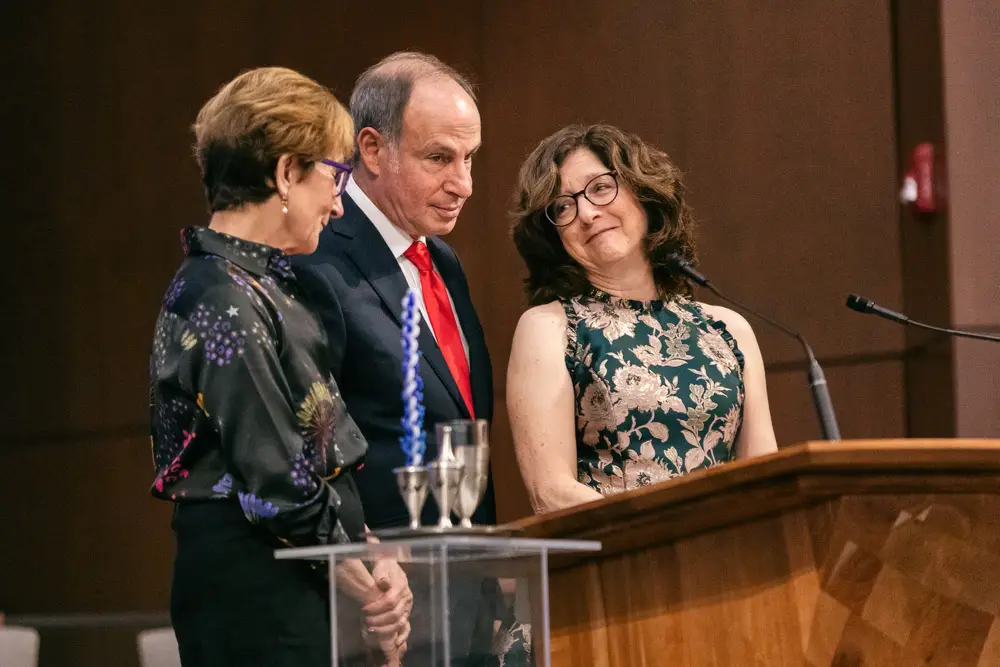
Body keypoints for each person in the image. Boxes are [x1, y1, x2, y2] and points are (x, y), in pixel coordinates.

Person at [148, 66, 411, 667]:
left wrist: (374, 559)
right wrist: (371, 589)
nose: (338, 204)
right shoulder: (220, 296)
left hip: (299, 578)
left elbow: (312, 466)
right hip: (258, 596)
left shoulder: (257, 285)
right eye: (335, 176)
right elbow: (277, 480)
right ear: (288, 171)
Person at [293, 52, 502, 663]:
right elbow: (311, 447)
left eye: (470, 159)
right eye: (439, 158)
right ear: (373, 149)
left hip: (463, 598)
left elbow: (460, 429)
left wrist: (486, 583)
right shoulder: (317, 259)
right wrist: (365, 572)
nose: (463, 183)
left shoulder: (443, 261)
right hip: (379, 610)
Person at [508, 124, 779, 515]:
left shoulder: (728, 330)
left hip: (727, 550)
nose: (586, 213)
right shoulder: (549, 328)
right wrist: (675, 531)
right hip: (619, 550)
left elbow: (766, 484)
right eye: (563, 207)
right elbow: (551, 494)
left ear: (644, 192)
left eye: (601, 188)